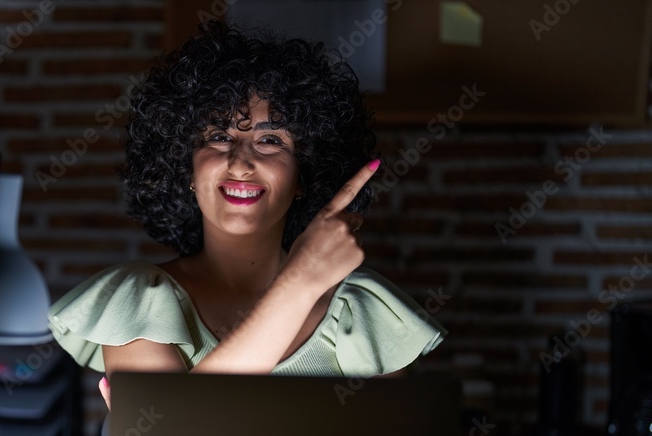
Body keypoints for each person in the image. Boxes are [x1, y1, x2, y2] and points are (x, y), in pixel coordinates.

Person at [48, 22, 445, 409]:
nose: (241, 164)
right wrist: (301, 283)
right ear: (186, 167)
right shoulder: (137, 300)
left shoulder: (364, 313)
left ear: (303, 174)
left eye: (270, 141)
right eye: (219, 137)